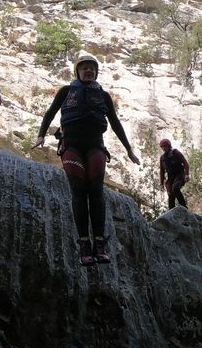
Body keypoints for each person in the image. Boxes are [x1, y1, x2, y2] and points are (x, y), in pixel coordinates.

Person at [34, 52, 140, 266]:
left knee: (96, 191)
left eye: (92, 68)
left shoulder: (103, 95)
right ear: (78, 71)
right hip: (71, 145)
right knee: (79, 191)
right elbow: (50, 112)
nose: (88, 70)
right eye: (84, 68)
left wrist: (128, 149)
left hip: (95, 146)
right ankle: (84, 244)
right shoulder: (66, 91)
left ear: (96, 72)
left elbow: (116, 123)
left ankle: (99, 244)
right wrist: (41, 134)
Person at [158, 138, 190, 209]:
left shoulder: (175, 153)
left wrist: (187, 174)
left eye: (165, 146)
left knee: (175, 188)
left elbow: (185, 163)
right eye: (162, 147)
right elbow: (162, 171)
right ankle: (171, 211)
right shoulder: (162, 158)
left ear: (169, 146)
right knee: (170, 194)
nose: (163, 148)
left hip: (180, 174)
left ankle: (184, 207)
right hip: (171, 177)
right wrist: (161, 184)